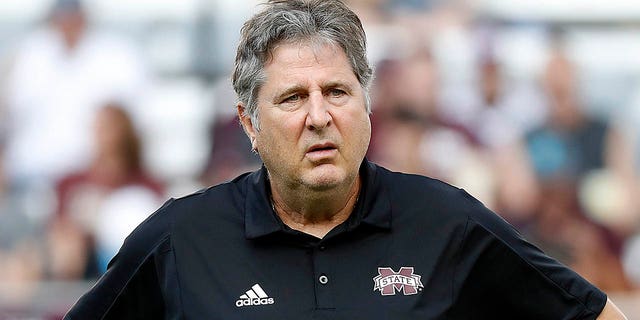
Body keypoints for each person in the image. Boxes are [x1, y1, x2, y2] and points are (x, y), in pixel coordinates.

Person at [64, 0, 628, 319]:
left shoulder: (447, 222)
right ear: (248, 125)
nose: (318, 116)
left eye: (336, 92)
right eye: (292, 98)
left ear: (367, 107)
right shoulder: (181, 239)